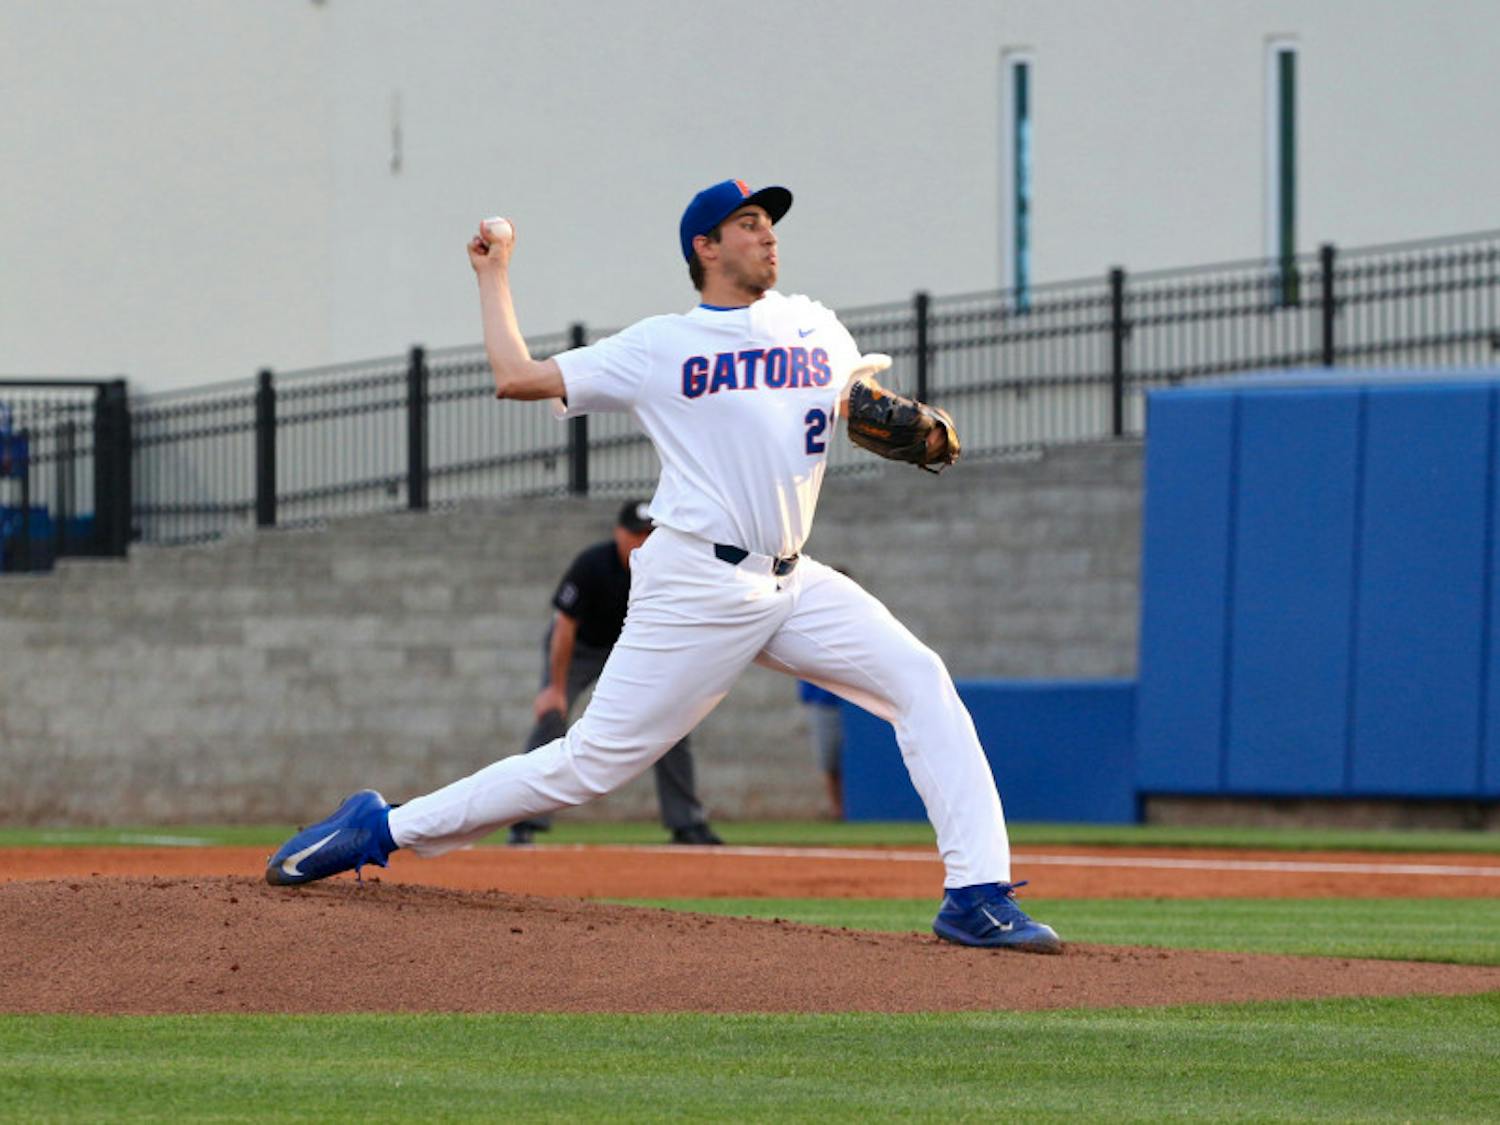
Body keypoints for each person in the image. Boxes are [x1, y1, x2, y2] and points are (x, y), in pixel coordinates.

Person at [265, 177, 1061, 954]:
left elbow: (864, 407)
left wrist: (913, 424)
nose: (767, 234)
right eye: (748, 223)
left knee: (920, 679)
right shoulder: (661, 347)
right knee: (586, 765)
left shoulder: (817, 326)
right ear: (706, 246)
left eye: (770, 222)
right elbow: (517, 376)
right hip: (696, 583)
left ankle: (977, 897)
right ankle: (382, 825)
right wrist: (493, 273)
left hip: (792, 579)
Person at [508, 498, 722, 846]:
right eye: (636, 533)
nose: (643, 541)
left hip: (631, 651)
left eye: (650, 533)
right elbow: (563, 626)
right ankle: (524, 822)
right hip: (579, 648)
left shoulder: (667, 568)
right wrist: (555, 688)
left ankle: (686, 822)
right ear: (618, 533)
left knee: (673, 723)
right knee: (551, 717)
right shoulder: (593, 564)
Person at [798, 679, 844, 820]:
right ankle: (836, 809)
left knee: (851, 762)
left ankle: (852, 807)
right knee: (829, 761)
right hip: (825, 706)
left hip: (854, 706)